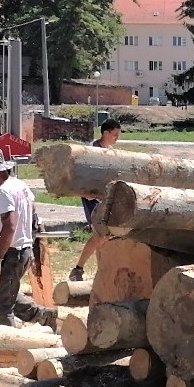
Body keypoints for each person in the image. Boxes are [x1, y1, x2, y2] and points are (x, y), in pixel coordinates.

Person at [0, 148, 54, 328]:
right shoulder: (21, 185)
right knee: (6, 293)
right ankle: (43, 316)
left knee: (0, 308)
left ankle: (9, 347)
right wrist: (30, 243)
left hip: (12, 254)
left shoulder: (4, 192)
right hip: (22, 251)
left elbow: (9, 226)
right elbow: (34, 217)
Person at [67, 118, 122, 282]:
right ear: (105, 133)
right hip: (91, 199)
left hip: (106, 198)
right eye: (115, 135)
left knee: (107, 235)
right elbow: (80, 175)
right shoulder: (91, 151)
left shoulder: (110, 150)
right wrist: (84, 192)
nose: (116, 139)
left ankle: (104, 268)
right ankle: (78, 269)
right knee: (100, 235)